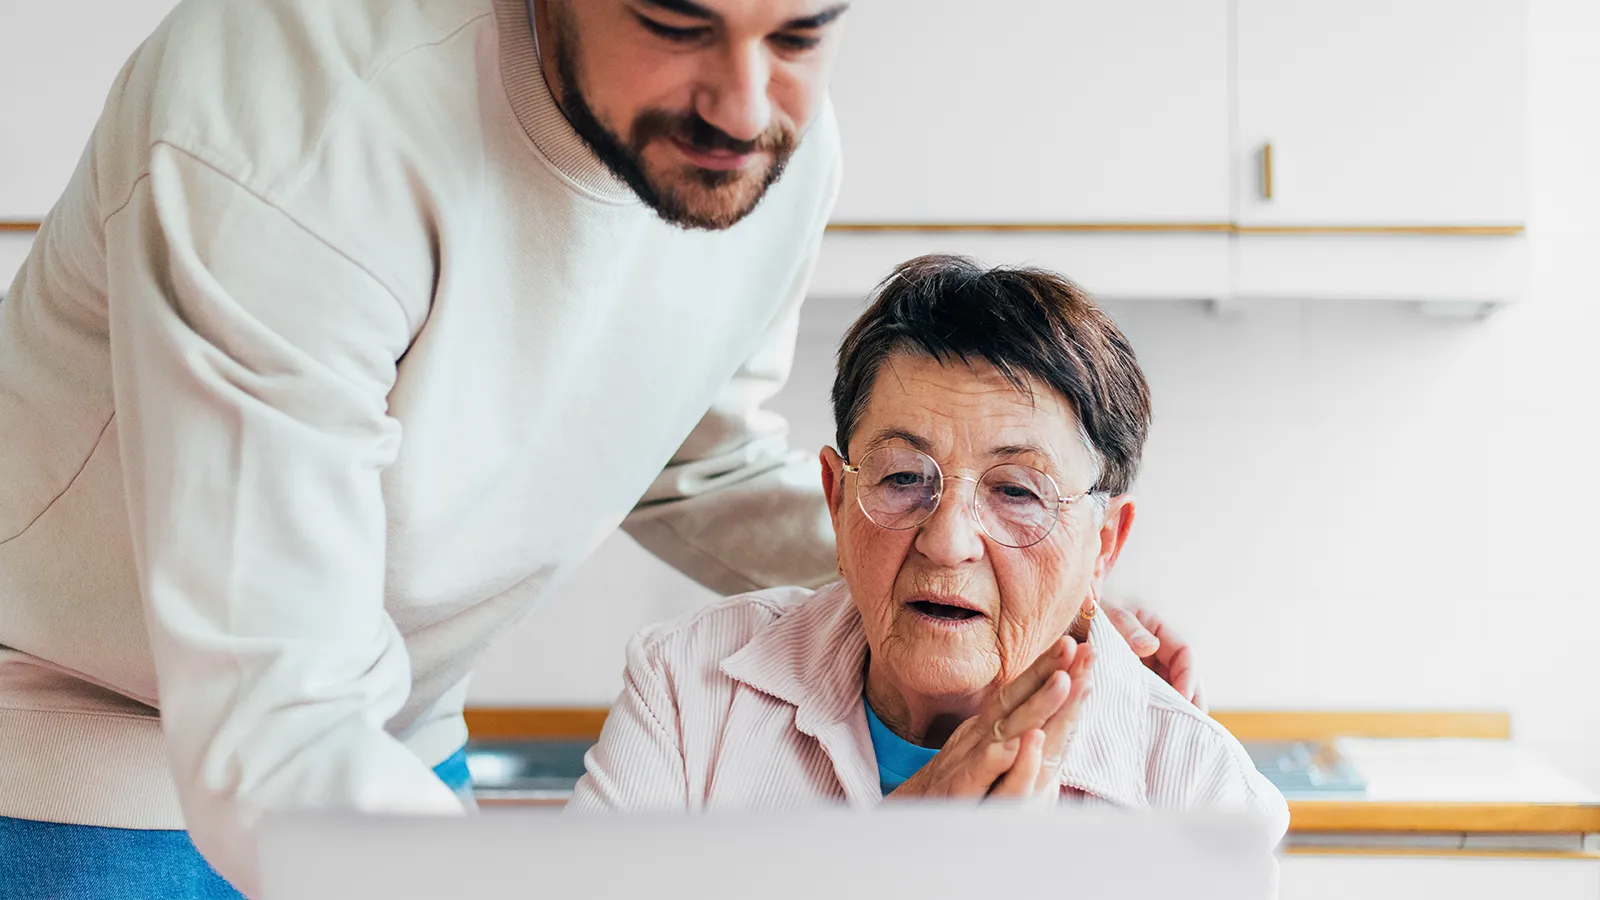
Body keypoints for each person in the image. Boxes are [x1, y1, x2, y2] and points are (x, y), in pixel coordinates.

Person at [0, 2, 1203, 897]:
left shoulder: (772, 147)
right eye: (676, 21)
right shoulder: (294, 131)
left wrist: (970, 582)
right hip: (79, 742)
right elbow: (270, 722)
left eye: (798, 33)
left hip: (390, 740)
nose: (740, 105)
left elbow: (699, 462)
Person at [570, 255, 1286, 848]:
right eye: (905, 477)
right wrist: (899, 852)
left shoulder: (1198, 793)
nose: (946, 542)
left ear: (1104, 542)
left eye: (1017, 492)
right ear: (836, 497)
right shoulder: (688, 689)